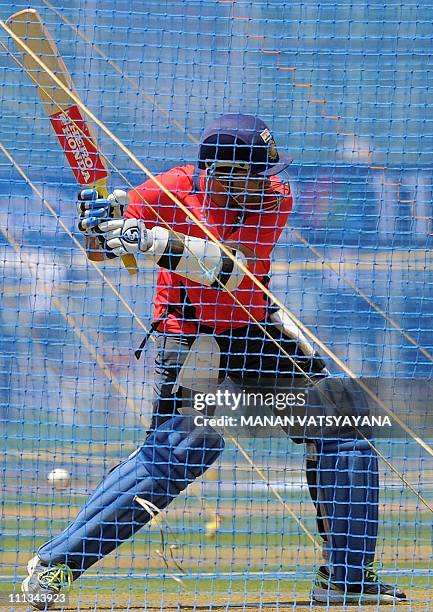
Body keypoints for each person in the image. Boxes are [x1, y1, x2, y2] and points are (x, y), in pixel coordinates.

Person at [21, 114, 405, 608]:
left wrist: (152, 241)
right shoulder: (174, 187)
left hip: (257, 330)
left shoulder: (275, 199)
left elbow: (231, 270)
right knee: (182, 452)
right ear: (220, 171)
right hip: (191, 339)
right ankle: (54, 567)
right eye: (254, 174)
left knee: (344, 428)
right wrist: (99, 223)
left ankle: (347, 578)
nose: (267, 182)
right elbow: (101, 249)